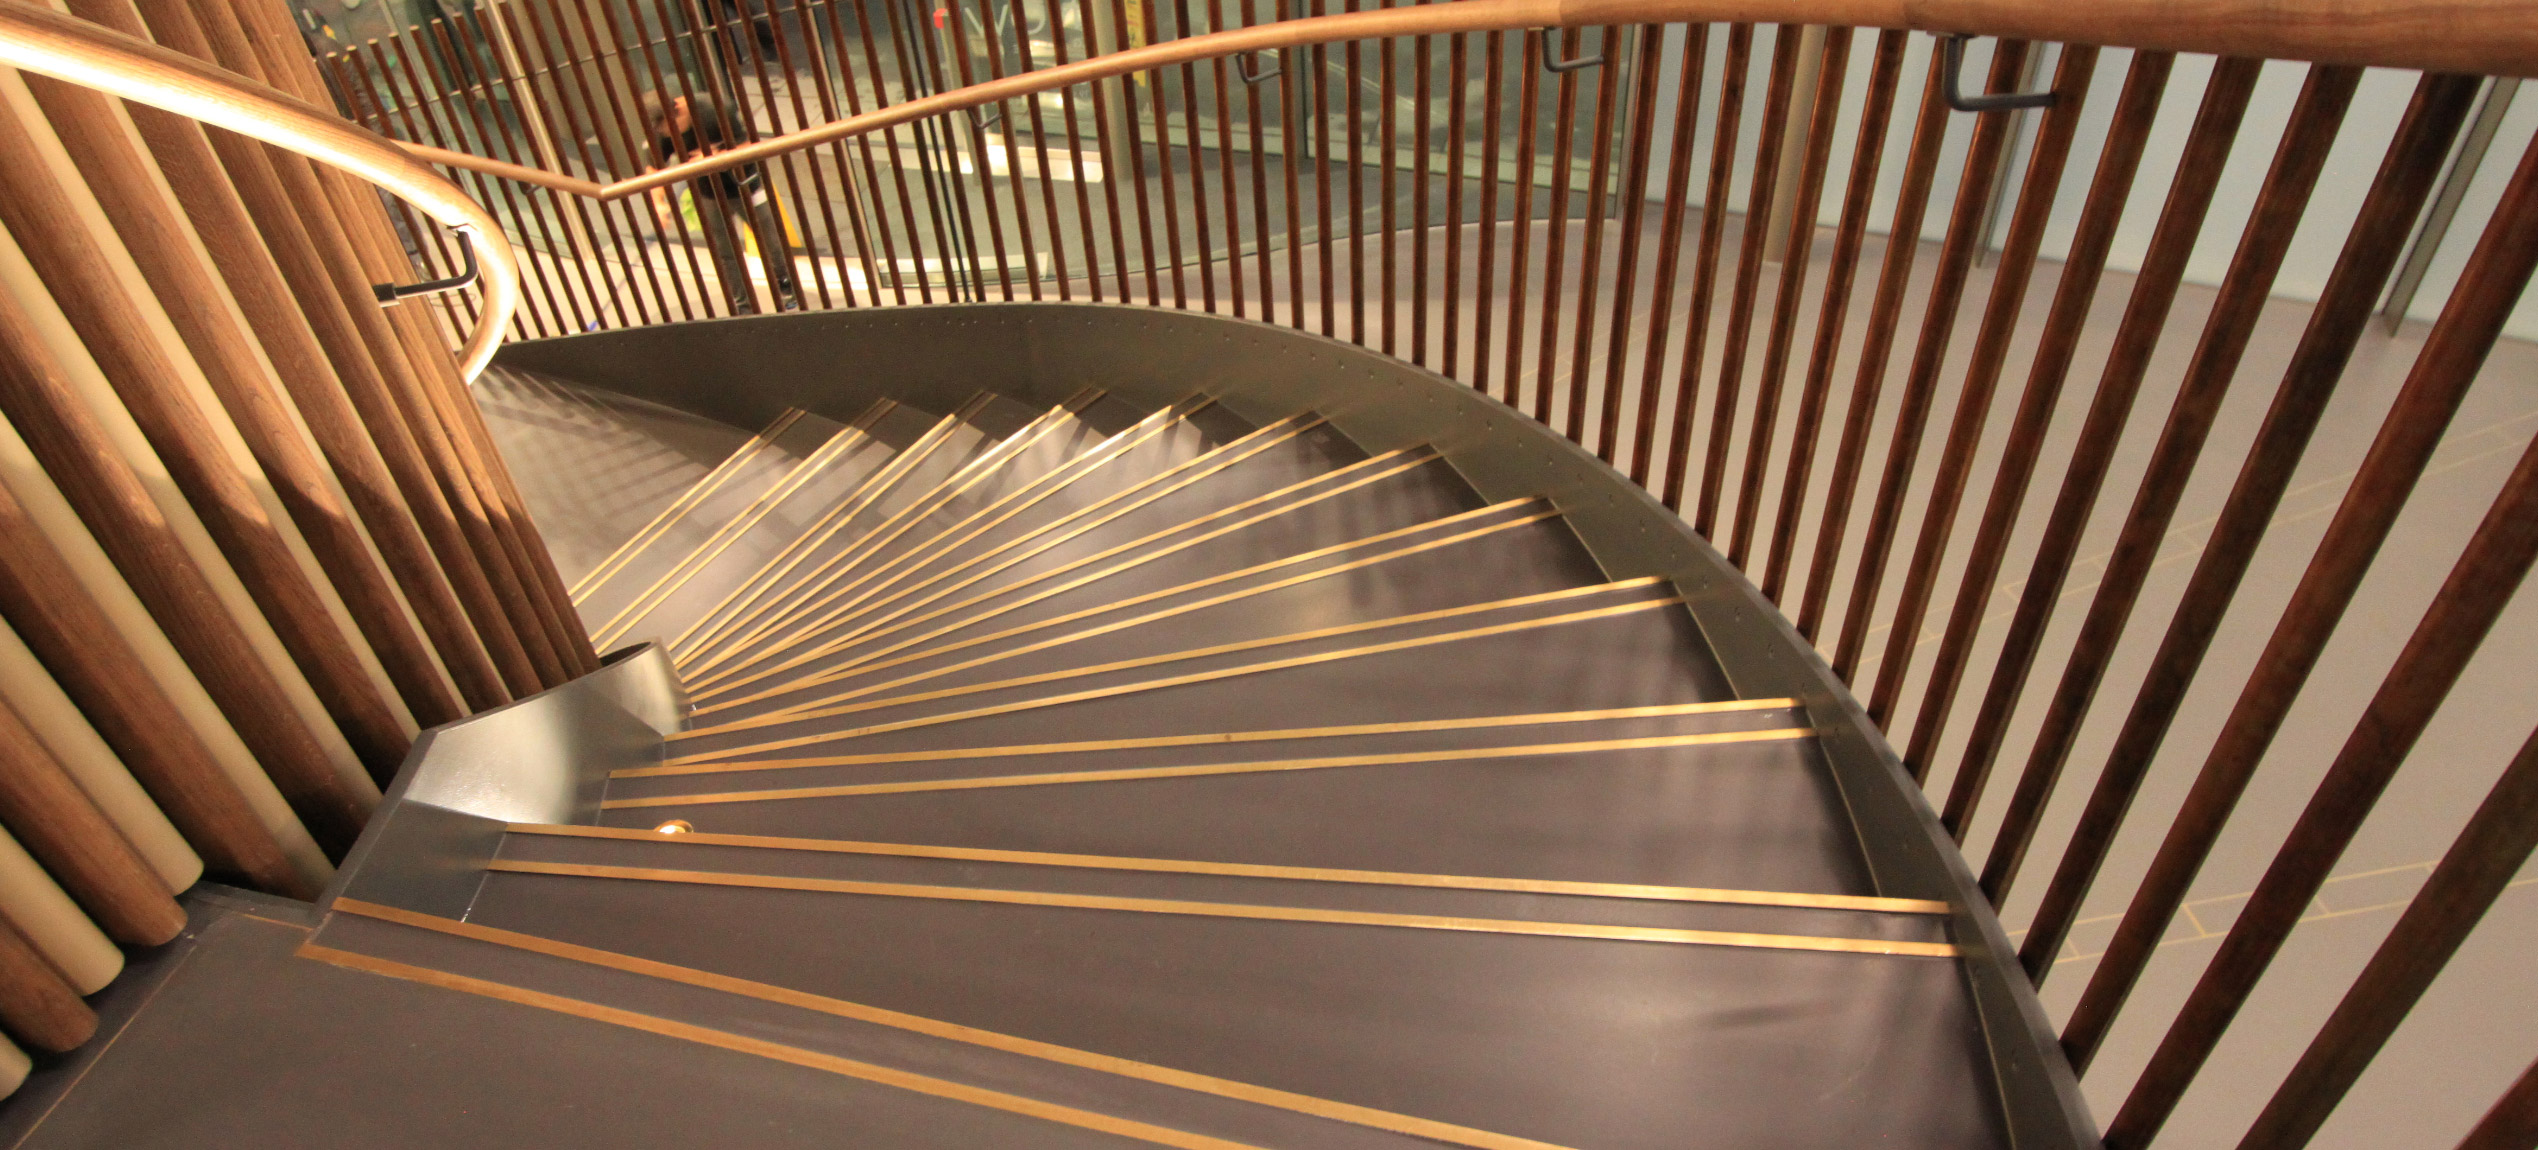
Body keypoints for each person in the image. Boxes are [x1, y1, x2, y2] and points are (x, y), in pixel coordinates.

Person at [639, 90, 802, 314]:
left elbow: (747, 146)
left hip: (745, 183)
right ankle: (742, 304)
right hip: (708, 192)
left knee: (770, 240)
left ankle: (787, 287)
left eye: (669, 127)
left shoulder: (713, 108)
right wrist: (658, 203)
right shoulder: (661, 133)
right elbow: (654, 170)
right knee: (724, 250)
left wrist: (713, 158)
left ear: (674, 112)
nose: (668, 134)